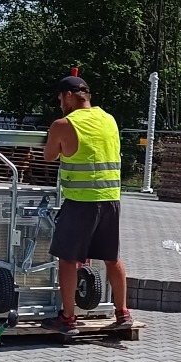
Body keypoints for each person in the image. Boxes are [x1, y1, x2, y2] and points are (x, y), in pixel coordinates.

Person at [41, 73, 130, 336]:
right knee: (112, 257)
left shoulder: (63, 124)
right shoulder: (109, 119)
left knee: (67, 259)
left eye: (60, 99)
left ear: (69, 97)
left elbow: (49, 156)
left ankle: (68, 318)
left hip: (81, 202)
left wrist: (54, 135)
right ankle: (123, 312)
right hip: (111, 200)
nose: (59, 105)